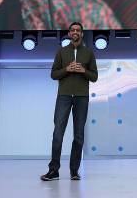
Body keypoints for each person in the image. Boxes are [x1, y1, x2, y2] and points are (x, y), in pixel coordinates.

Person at [41, 21, 96, 181]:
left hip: (82, 97)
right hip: (64, 96)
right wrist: (67, 69)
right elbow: (53, 74)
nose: (75, 32)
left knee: (78, 135)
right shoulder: (61, 52)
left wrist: (83, 70)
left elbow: (95, 76)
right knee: (58, 133)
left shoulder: (89, 53)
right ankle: (54, 171)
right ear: (69, 33)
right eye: (72, 30)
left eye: (78, 30)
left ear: (82, 33)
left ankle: (74, 171)